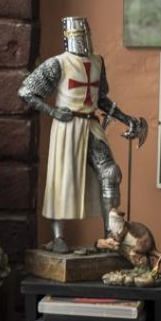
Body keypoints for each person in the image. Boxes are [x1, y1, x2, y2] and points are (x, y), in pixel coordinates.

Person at [19, 16, 147, 253]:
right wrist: (53, 111)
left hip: (91, 126)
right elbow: (26, 92)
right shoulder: (57, 63)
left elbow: (100, 100)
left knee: (111, 173)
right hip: (67, 129)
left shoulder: (98, 61)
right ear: (68, 37)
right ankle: (58, 237)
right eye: (78, 35)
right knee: (63, 180)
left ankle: (112, 235)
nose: (83, 39)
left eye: (85, 34)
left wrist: (125, 118)